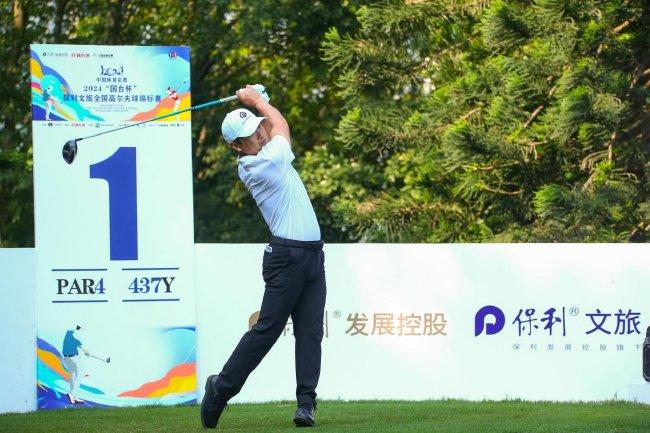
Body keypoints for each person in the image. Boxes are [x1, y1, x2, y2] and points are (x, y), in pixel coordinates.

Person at [201, 85, 326, 428]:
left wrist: (260, 103)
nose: (258, 134)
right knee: (267, 331)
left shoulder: (269, 152)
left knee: (310, 333)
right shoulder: (259, 165)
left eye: (257, 127)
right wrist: (258, 101)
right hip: (286, 259)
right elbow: (281, 126)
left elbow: (270, 126)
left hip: (313, 258)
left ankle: (306, 405)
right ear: (236, 146)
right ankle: (220, 389)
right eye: (249, 134)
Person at [61, 325, 90, 404]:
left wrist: (85, 352)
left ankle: (74, 397)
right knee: (80, 374)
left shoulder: (68, 333)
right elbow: (83, 349)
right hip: (73, 358)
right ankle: (72, 393)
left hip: (66, 358)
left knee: (73, 375)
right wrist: (88, 353)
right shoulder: (77, 336)